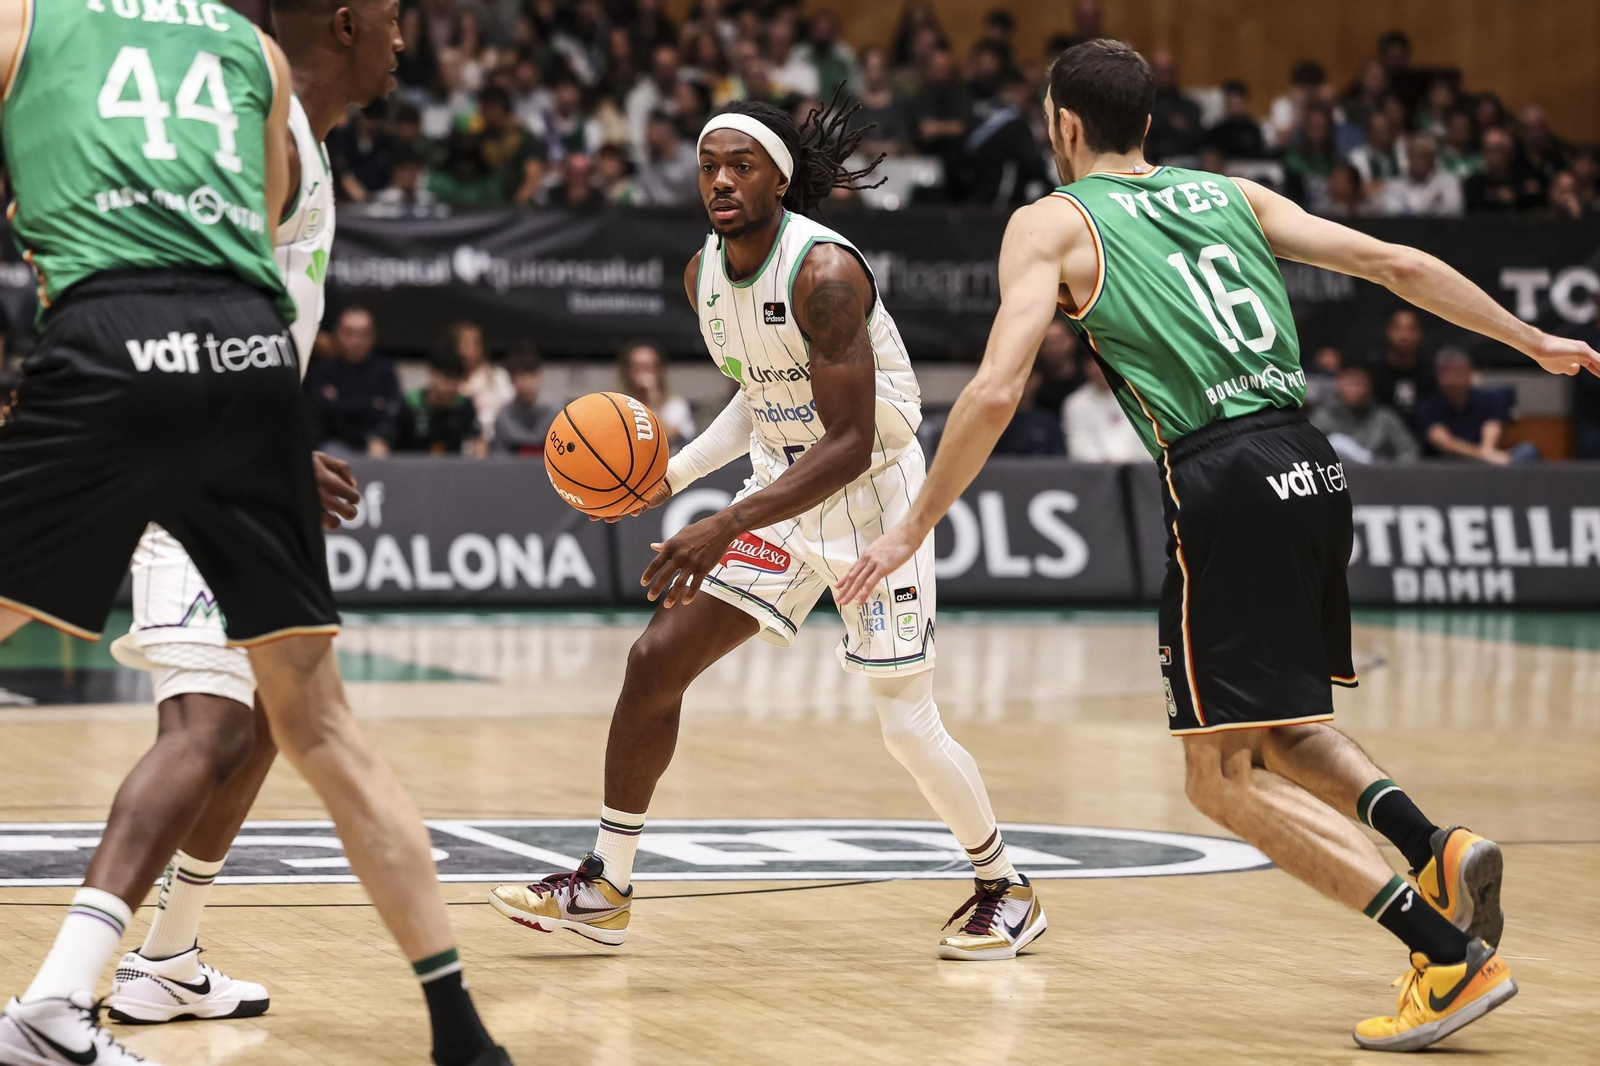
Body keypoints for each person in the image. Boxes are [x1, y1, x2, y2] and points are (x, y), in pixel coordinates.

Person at [839, 39, 1598, 1051]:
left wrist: (910, 525)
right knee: (1273, 726)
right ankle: (1433, 844)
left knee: (1217, 778)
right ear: (1146, 125)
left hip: (1224, 477)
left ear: (1062, 126)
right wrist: (1534, 342)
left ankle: (1445, 956)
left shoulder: (1049, 223)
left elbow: (991, 388)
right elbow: (1395, 263)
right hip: (1312, 461)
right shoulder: (1229, 195)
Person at [0, 3, 511, 1065]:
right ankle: (456, 1032)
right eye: (393, 18)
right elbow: (250, 242)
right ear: (346, 23)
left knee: (267, 721)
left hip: (127, 362)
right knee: (252, 724)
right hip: (232, 383)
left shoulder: (47, 28)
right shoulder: (250, 64)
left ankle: (162, 957)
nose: (406, 38)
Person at [489, 92, 1046, 962]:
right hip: (782, 492)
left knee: (904, 724)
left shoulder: (823, 276)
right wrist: (669, 480)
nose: (719, 179)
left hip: (875, 506)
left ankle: (1005, 886)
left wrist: (723, 520)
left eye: (740, 165)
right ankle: (606, 884)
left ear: (778, 180)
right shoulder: (702, 273)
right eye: (709, 163)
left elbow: (854, 441)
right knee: (656, 659)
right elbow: (762, 397)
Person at [306, 306, 403, 456]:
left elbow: (393, 411)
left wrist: (341, 402)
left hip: (376, 445)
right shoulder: (321, 372)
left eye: (363, 334)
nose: (356, 342)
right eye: (349, 333)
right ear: (336, 334)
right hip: (334, 445)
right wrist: (372, 403)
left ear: (373, 336)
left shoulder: (385, 370)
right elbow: (323, 412)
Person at [1417, 348, 1532, 464]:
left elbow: (1492, 427)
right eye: (1446, 372)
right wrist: (1482, 455)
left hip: (1488, 462)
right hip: (1448, 463)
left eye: (1458, 373)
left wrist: (1488, 451)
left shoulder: (1485, 399)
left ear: (1469, 373)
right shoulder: (1430, 405)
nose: (1452, 379)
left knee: (1527, 451)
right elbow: (1442, 441)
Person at [1310, 365, 1421, 463]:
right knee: (1336, 441)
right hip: (1333, 480)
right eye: (1351, 383)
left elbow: (1409, 452)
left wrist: (1387, 468)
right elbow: (1305, 452)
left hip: (1378, 480)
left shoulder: (1385, 418)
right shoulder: (1323, 417)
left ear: (1370, 386)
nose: (1355, 389)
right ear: (1339, 383)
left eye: (1361, 383)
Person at [396, 351, 487, 456]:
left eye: (457, 378)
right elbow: (388, 443)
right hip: (411, 468)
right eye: (447, 377)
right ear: (431, 374)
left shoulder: (463, 405)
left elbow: (478, 440)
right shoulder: (410, 403)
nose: (452, 386)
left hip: (452, 469)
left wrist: (480, 452)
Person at [1062, 358, 1148, 463]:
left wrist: (1128, 463)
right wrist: (1106, 464)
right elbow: (1078, 446)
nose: (1100, 370)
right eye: (1095, 365)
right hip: (1096, 472)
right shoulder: (1075, 403)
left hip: (1140, 470)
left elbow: (1150, 440)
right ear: (1086, 368)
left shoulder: (1140, 398)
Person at [618, 341, 695, 447]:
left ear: (660, 370)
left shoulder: (675, 404)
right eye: (637, 367)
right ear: (628, 371)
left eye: (648, 367)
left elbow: (668, 436)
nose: (643, 374)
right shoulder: (617, 404)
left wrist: (652, 396)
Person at [448, 320, 514, 439]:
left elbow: (509, 416)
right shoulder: (448, 382)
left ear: (481, 347)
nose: (463, 350)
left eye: (469, 344)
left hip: (495, 443)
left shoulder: (499, 377)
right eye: (459, 344)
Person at [1368, 308, 1434, 423]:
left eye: (1411, 329)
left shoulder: (1430, 372)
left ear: (1420, 334)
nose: (1404, 336)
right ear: (1387, 331)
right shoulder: (1373, 371)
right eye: (1398, 329)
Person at [1374, 134, 1463, 217]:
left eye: (1422, 157)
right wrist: (1431, 203)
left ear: (1432, 159)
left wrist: (1413, 208)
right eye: (1412, 156)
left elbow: (1453, 209)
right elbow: (1393, 213)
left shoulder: (1448, 182)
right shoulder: (1395, 186)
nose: (1416, 162)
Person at [493, 348, 559, 455]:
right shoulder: (503, 418)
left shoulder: (556, 415)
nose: (527, 383)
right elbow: (500, 458)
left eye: (532, 375)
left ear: (539, 376)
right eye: (522, 377)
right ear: (511, 380)